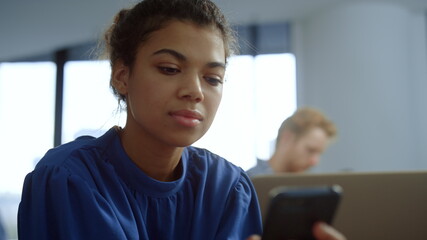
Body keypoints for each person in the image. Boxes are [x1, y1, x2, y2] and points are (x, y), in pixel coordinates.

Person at [18, 0, 345, 239]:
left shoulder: (229, 187)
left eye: (213, 78)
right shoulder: (69, 178)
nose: (195, 91)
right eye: (170, 69)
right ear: (122, 76)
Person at [247, 107, 337, 177]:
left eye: (319, 154)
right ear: (287, 138)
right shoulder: (245, 188)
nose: (314, 162)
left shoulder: (306, 190)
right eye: (310, 150)